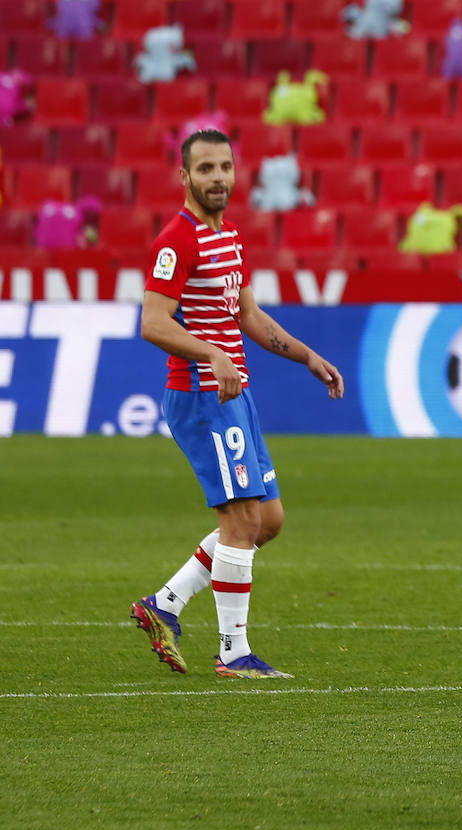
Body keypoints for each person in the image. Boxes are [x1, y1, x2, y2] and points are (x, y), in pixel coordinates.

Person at [129, 128, 344, 679]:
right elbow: (153, 322)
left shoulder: (229, 238)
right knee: (242, 518)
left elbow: (248, 317)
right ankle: (233, 652)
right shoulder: (175, 241)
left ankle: (164, 605)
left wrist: (307, 357)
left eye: (224, 166)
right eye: (205, 169)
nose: (218, 177)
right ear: (185, 176)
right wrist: (211, 355)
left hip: (234, 393)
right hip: (202, 396)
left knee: (266, 520)